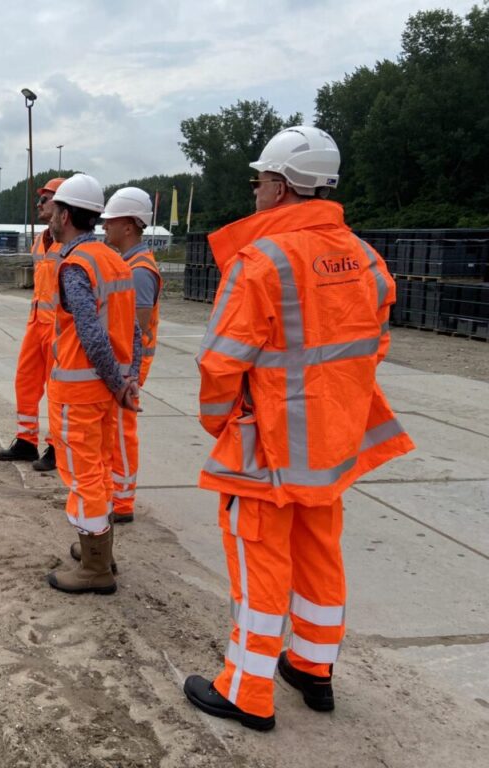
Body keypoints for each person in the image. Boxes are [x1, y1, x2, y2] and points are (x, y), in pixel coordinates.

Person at [182, 127, 415, 731]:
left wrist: (222, 424)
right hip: (331, 445)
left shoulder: (262, 260)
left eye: (260, 180)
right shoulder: (365, 256)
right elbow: (374, 342)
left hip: (270, 444)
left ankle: (245, 690)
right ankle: (313, 667)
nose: (255, 190)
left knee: (259, 560)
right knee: (319, 554)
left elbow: (220, 361)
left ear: (281, 187)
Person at [43, 173, 142, 596]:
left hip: (81, 393)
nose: (48, 217)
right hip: (103, 392)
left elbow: (90, 332)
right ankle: (97, 549)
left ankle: (96, 568)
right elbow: (133, 330)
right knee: (100, 469)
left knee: (83, 476)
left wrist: (117, 381)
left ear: (65, 215)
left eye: (52, 210)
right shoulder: (115, 259)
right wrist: (127, 378)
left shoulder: (76, 265)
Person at [100, 187, 162, 524]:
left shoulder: (138, 270)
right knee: (115, 430)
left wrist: (125, 376)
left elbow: (133, 331)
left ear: (129, 225)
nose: (105, 226)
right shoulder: (128, 263)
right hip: (123, 363)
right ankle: (116, 493)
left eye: (111, 220)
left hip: (129, 366)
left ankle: (122, 502)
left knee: (123, 430)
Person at [0, 177, 66, 471]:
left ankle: (57, 447)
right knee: (26, 382)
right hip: (36, 322)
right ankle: (26, 441)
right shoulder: (41, 240)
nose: (39, 204)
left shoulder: (71, 240)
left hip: (59, 328)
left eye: (45, 199)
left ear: (62, 205)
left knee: (58, 389)